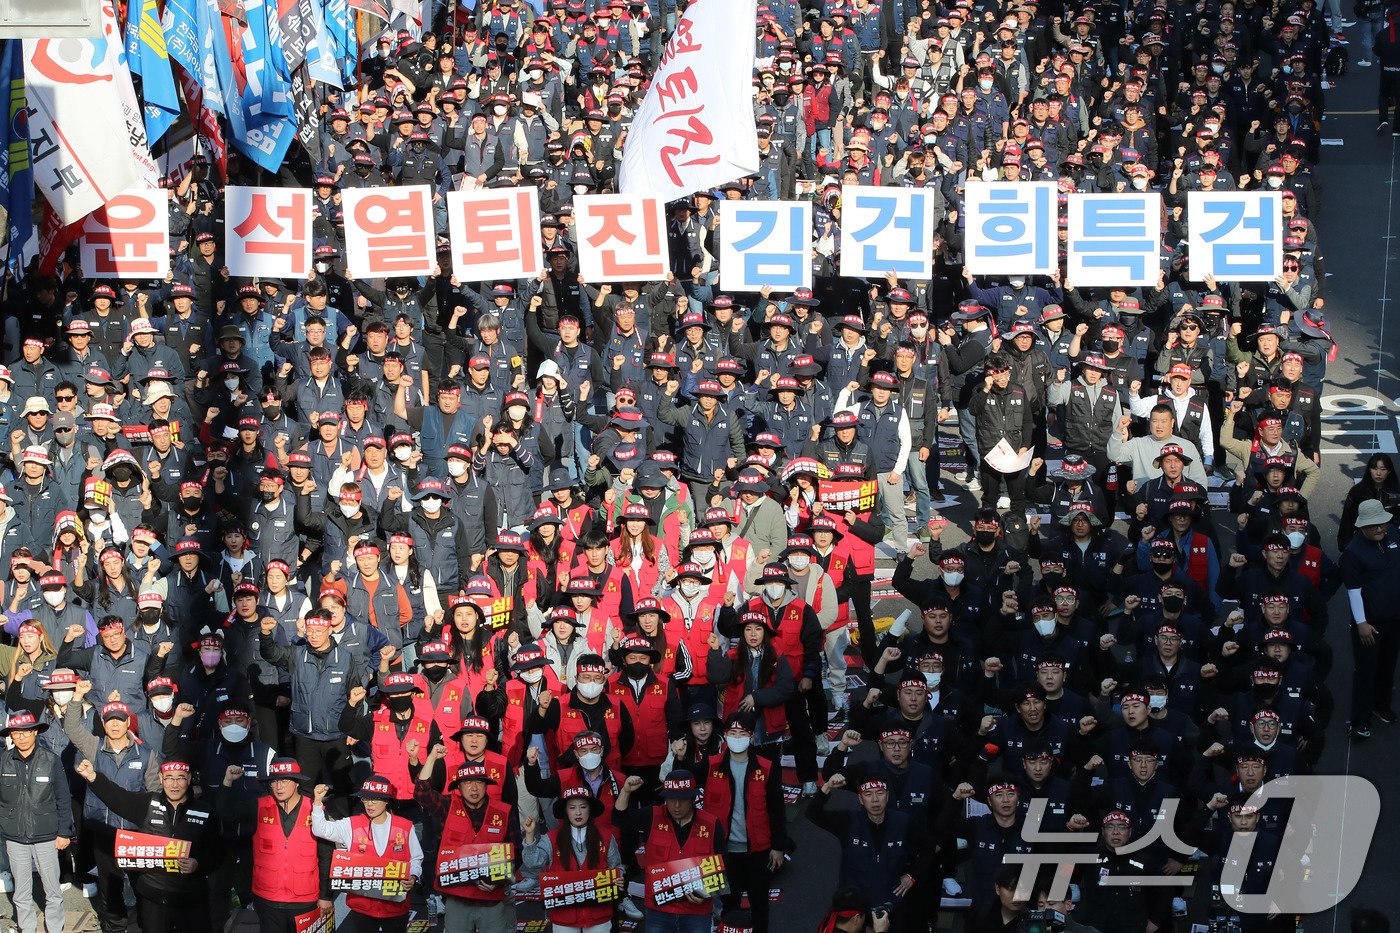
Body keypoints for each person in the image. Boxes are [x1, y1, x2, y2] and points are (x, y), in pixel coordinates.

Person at [75, 756, 221, 933]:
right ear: (161, 778)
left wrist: (198, 864)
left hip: (191, 898)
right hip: (153, 896)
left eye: (180, 778)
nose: (174, 785)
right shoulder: (147, 803)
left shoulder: (205, 811)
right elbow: (117, 797)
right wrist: (93, 777)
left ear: (189, 779)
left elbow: (218, 852)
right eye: (169, 778)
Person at [616, 769, 724, 933]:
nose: (676, 806)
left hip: (697, 911)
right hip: (659, 910)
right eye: (671, 800)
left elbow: (722, 864)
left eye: (682, 800)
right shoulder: (652, 816)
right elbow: (619, 819)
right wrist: (625, 791)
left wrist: (707, 892)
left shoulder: (712, 824)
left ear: (694, 798)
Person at [311, 776, 424, 933]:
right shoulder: (351, 824)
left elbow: (416, 858)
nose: (369, 804)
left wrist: (413, 876)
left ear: (387, 801)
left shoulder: (405, 827)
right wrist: (317, 803)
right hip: (362, 907)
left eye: (375, 799)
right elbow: (320, 829)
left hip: (395, 907)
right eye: (365, 799)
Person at [0, 711, 73, 933]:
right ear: (11, 735)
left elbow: (63, 798)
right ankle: (27, 928)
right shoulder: (2, 761)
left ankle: (55, 928)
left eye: (26, 732)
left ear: (35, 732)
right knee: (21, 892)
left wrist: (64, 832)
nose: (21, 737)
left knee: (52, 890)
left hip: (47, 836)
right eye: (16, 733)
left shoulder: (52, 760)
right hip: (14, 837)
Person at [1340, 499, 1400, 739]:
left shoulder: (1393, 534)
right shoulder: (1353, 553)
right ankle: (1359, 721)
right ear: (1362, 527)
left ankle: (1381, 706)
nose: (1380, 529)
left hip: (1394, 618)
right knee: (1366, 671)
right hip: (1370, 623)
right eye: (1374, 525)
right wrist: (1362, 624)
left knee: (1388, 666)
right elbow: (1353, 592)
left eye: (1382, 524)